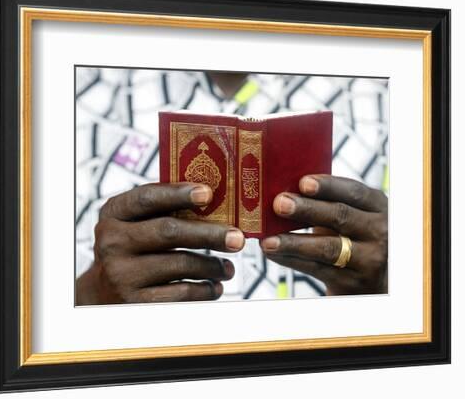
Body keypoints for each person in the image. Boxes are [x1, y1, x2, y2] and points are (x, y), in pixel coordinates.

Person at [75, 70, 388, 304]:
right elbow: (38, 321)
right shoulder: (80, 98)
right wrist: (93, 297)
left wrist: (395, 284)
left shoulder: (385, 100)